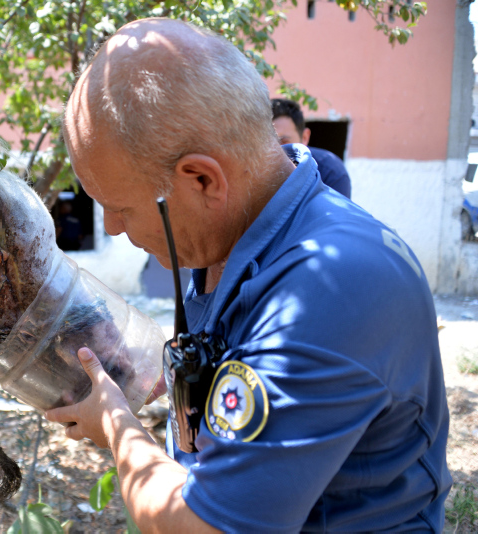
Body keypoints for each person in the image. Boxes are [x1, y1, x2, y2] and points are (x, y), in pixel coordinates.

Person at [47, 17, 451, 533]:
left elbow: (201, 526)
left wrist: (116, 425)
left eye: (120, 205)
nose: (113, 227)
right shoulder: (235, 240)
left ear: (201, 179)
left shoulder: (333, 289)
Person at [271, 97, 352, 198]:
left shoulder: (330, 172)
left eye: (284, 142)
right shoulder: (252, 172)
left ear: (305, 137)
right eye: (269, 143)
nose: (276, 150)